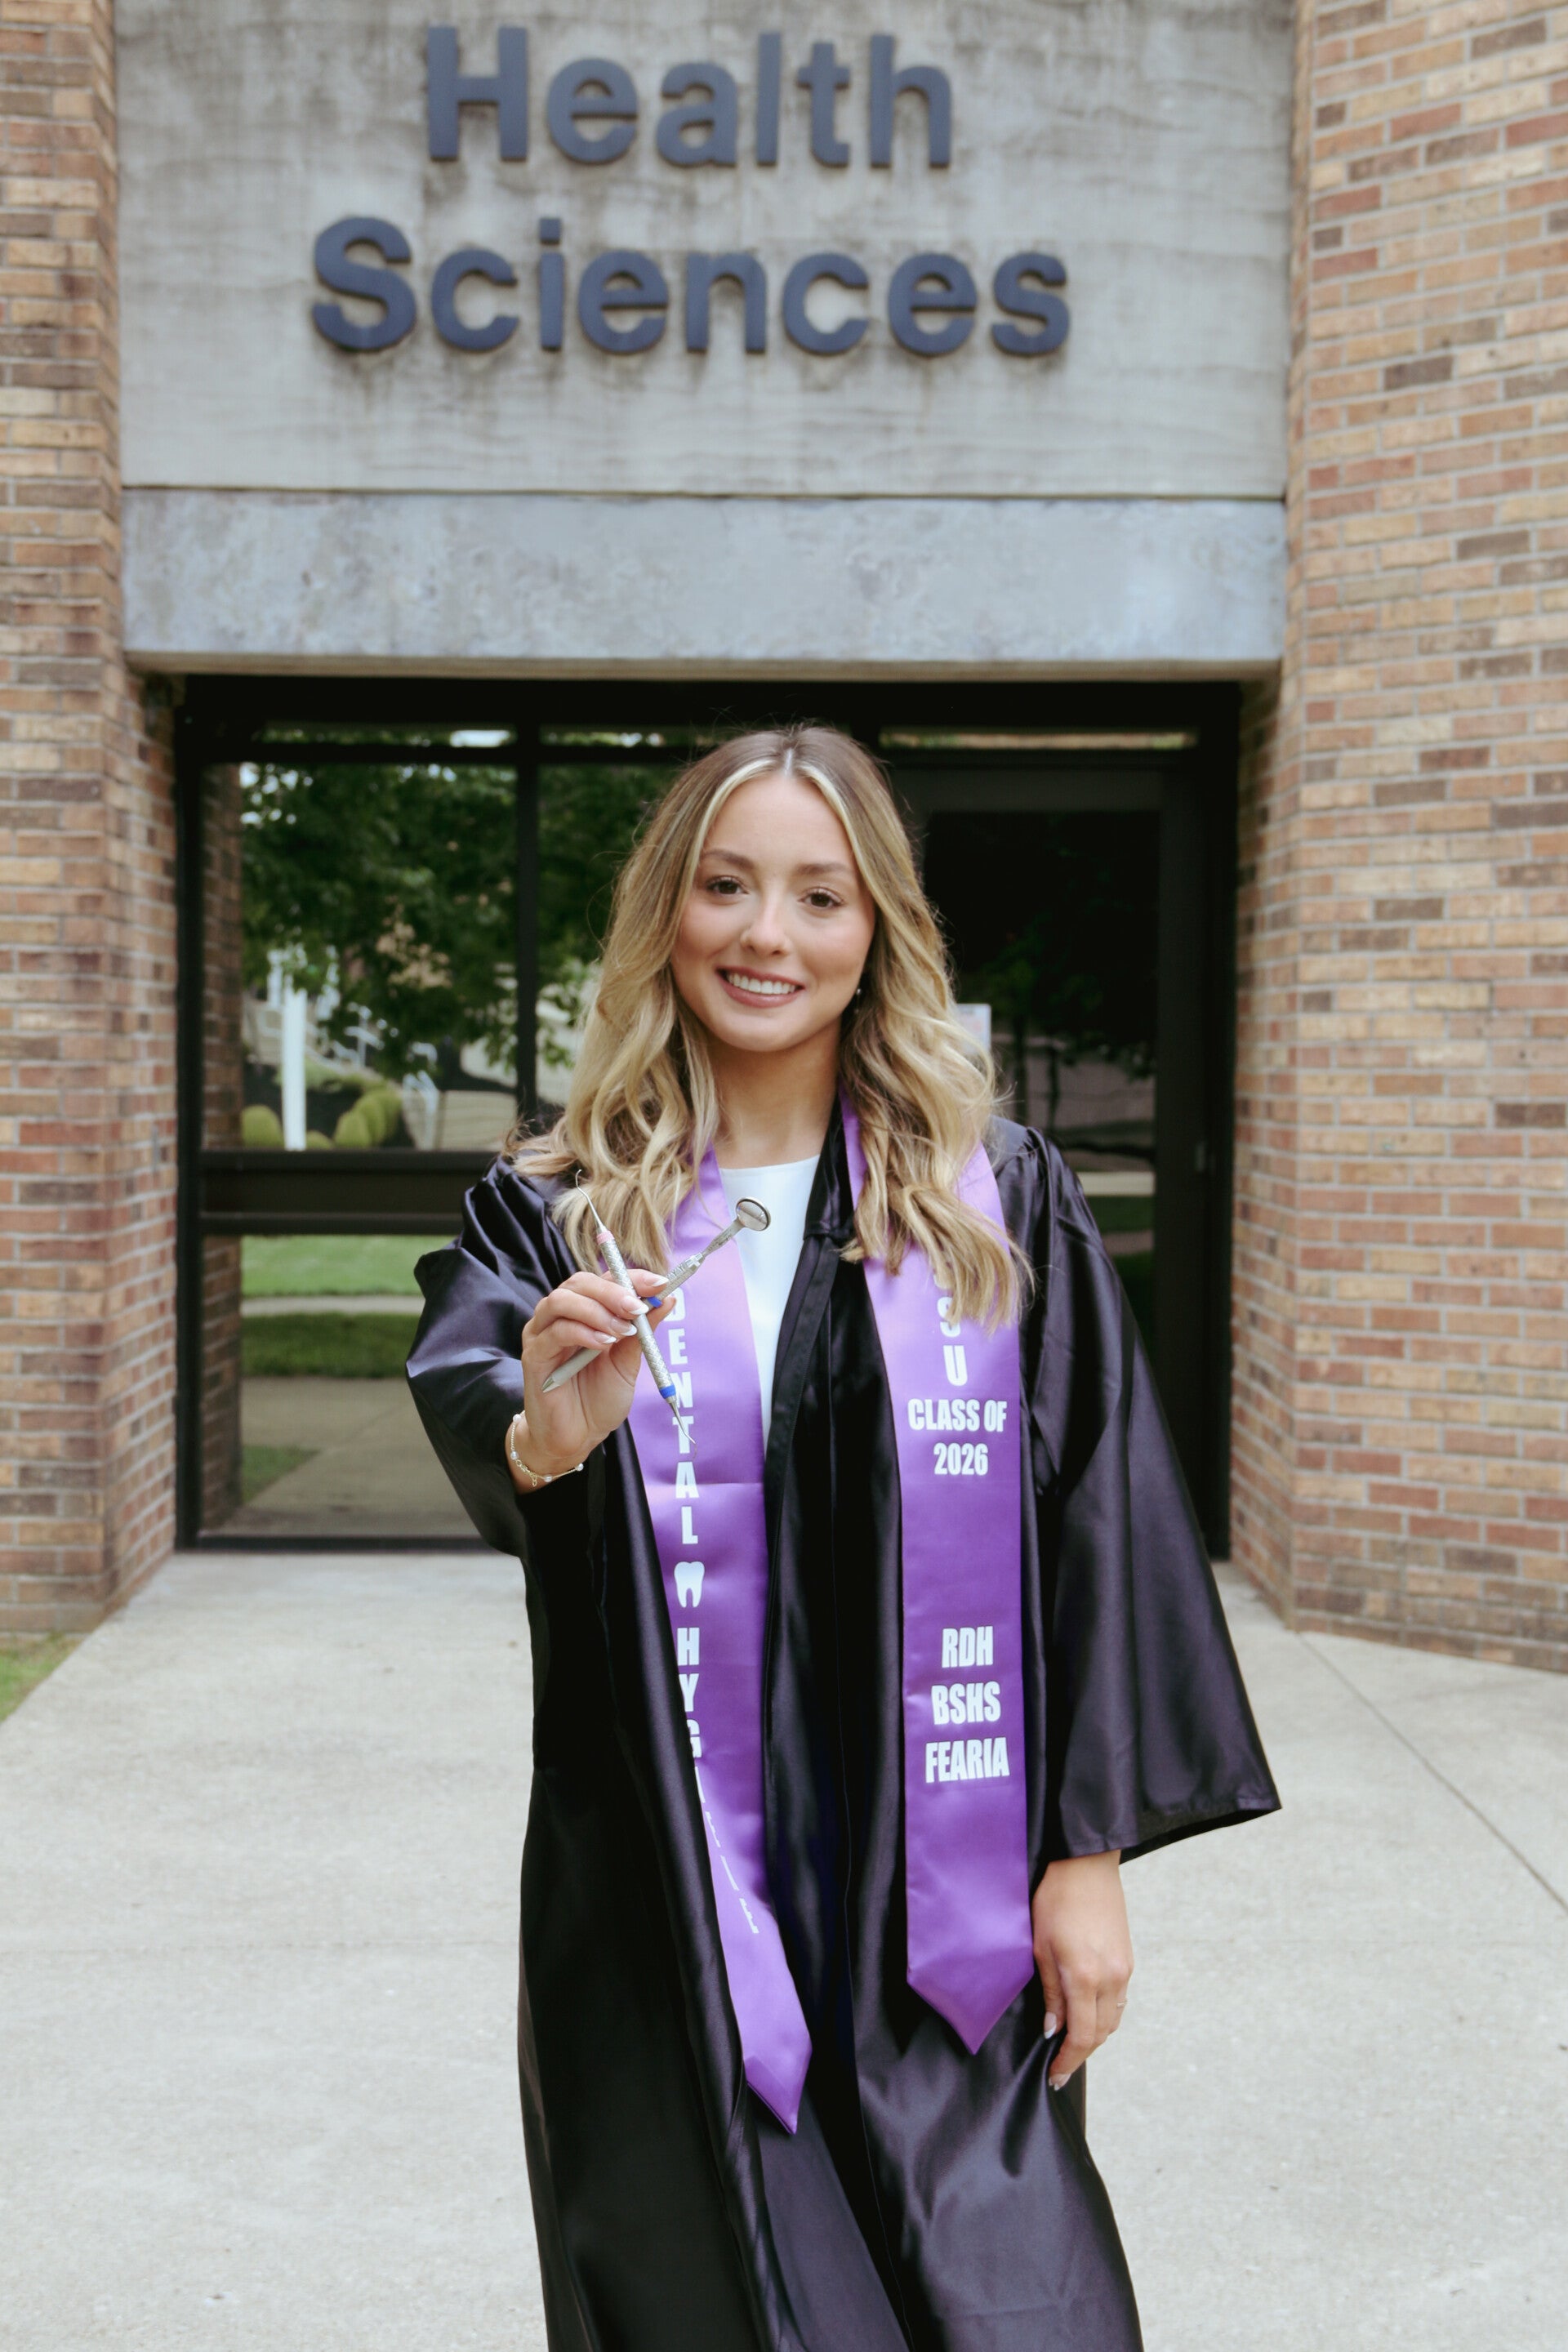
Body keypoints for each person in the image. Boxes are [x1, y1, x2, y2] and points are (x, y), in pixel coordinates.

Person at [407, 726, 1278, 2352]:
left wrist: (1087, 1858)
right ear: (666, 914)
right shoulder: (555, 1210)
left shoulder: (988, 1198)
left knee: (1014, 2308)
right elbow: (484, 1403)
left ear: (878, 931)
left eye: (820, 896)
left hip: (938, 1884)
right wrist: (547, 1433)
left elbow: (1097, 1515)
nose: (769, 935)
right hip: (673, 1888)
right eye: (727, 887)